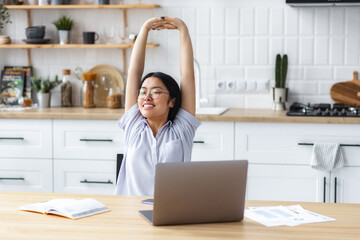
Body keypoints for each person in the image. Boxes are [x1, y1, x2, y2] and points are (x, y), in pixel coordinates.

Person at [115, 17, 201, 196]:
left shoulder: (181, 130)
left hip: (174, 212)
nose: (146, 97)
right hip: (131, 214)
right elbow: (134, 73)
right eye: (143, 91)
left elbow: (187, 75)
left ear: (172, 101)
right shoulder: (134, 126)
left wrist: (182, 29)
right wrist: (145, 28)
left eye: (155, 92)